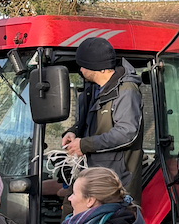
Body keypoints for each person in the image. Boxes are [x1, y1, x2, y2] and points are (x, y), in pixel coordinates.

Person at [61, 37, 144, 200]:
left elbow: (127, 134)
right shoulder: (93, 90)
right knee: (71, 215)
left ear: (96, 66)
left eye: (82, 65)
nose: (80, 70)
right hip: (92, 175)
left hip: (113, 183)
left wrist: (84, 145)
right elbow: (90, 125)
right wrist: (74, 132)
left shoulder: (126, 90)